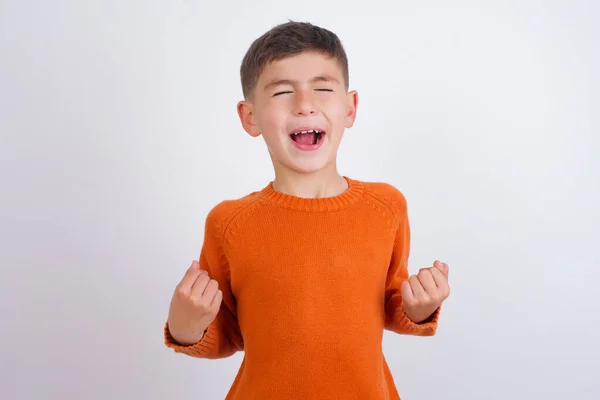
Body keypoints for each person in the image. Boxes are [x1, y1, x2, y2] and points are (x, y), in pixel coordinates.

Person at [164, 20, 451, 399]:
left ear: (350, 108)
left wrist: (420, 306)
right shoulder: (229, 223)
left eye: (322, 88)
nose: (305, 105)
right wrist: (184, 326)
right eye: (283, 92)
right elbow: (229, 333)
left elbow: (391, 303)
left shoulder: (386, 207)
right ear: (250, 117)